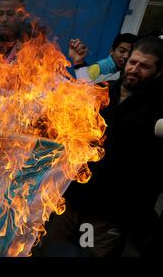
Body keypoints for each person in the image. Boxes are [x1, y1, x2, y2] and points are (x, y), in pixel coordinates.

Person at [40, 37, 163, 257]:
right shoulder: (103, 91)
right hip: (72, 201)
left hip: (110, 215)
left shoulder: (158, 109)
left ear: (159, 72)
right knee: (53, 252)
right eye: (133, 62)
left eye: (144, 66)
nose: (135, 69)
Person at [71, 33, 138, 82]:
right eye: (122, 51)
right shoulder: (97, 68)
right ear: (111, 51)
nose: (126, 56)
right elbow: (83, 87)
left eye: (130, 53)